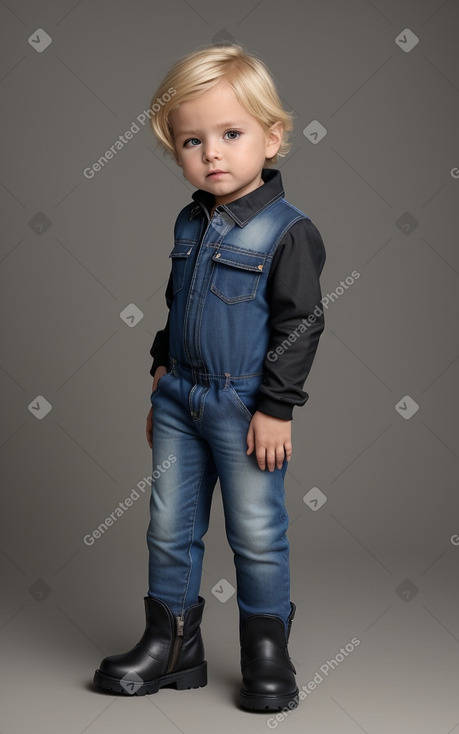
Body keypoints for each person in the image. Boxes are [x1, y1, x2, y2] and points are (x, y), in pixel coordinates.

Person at [94, 42, 326, 712]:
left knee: (255, 531)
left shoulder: (288, 232)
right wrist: (161, 372)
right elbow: (177, 302)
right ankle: (171, 646)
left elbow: (301, 325)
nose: (212, 154)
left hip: (244, 405)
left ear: (272, 137)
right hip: (178, 399)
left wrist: (276, 408)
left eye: (230, 134)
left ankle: (266, 651)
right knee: (169, 524)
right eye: (191, 141)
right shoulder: (189, 224)